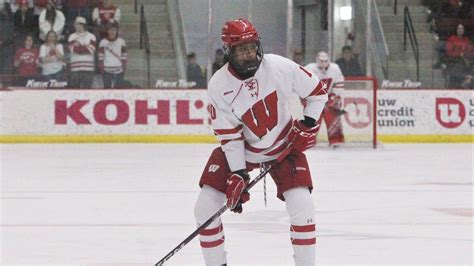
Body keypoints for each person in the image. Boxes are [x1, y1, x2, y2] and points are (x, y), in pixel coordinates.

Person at [194, 18, 328, 266]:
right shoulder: (219, 85)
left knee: (303, 206)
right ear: (229, 52)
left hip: (285, 145)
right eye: (241, 49)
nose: (249, 53)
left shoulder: (278, 66)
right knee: (204, 207)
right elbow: (230, 136)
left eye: (251, 46)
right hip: (243, 151)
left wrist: (308, 124)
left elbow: (318, 92)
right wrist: (238, 173)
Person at [305, 51, 346, 147]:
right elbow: (303, 83)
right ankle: (309, 141)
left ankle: (336, 141)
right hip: (314, 99)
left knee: (333, 120)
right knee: (311, 120)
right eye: (321, 61)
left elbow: (339, 83)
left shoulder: (335, 68)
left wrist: (334, 96)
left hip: (330, 97)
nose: (323, 63)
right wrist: (306, 96)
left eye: (325, 61)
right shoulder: (309, 68)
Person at [68, 16, 96, 88]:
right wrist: (85, 46)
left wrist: (79, 48)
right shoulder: (71, 36)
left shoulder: (91, 36)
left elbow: (91, 50)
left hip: (88, 68)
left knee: (87, 90)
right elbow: (72, 49)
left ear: (82, 25)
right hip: (75, 68)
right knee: (75, 91)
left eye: (76, 24)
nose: (75, 26)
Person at [98, 21, 127, 88]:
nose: (112, 32)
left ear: (117, 31)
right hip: (107, 71)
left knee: (119, 91)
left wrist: (123, 67)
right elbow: (100, 57)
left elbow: (124, 56)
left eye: (114, 30)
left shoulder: (121, 42)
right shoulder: (103, 42)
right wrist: (102, 69)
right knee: (107, 90)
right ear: (107, 31)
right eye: (110, 30)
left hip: (119, 71)